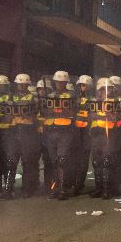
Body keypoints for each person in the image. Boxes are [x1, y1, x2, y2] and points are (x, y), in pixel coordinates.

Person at [39, 71, 77, 199]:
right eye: (58, 82)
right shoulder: (49, 95)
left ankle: (63, 189)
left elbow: (73, 110)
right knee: (53, 161)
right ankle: (54, 188)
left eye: (62, 82)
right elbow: (44, 112)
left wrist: (58, 107)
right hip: (51, 131)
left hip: (65, 131)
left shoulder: (71, 95)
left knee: (62, 160)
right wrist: (44, 103)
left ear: (66, 83)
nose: (60, 84)